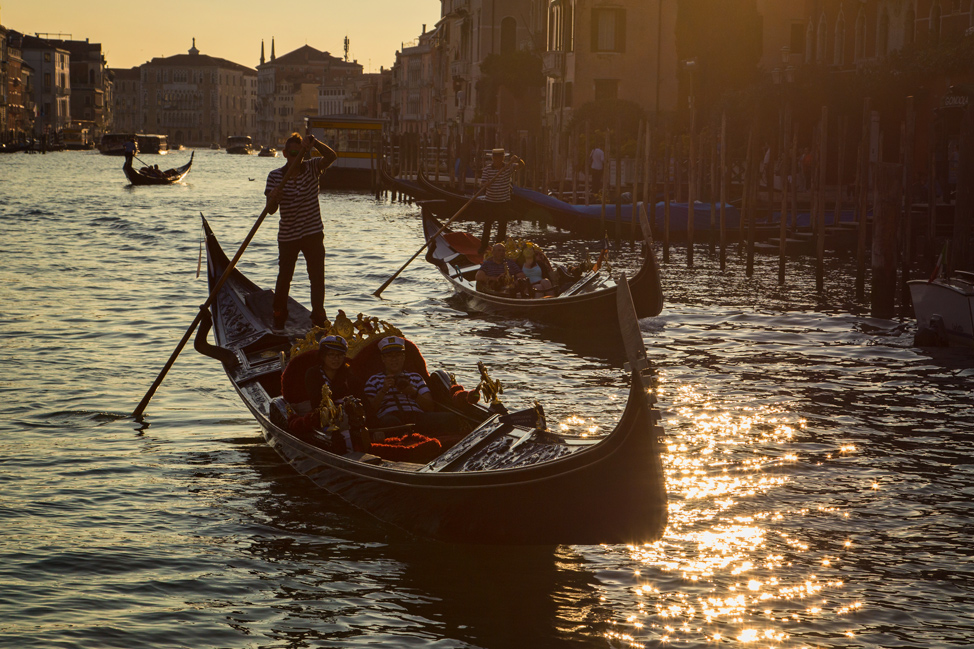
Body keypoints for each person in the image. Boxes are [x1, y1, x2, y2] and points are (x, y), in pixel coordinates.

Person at [265, 132, 338, 331]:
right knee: (285, 276)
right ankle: (279, 314)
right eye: (293, 152)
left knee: (316, 276)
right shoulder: (275, 177)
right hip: (288, 235)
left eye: (300, 152)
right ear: (285, 153)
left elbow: (331, 157)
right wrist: (274, 197)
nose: (296, 156)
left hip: (312, 232)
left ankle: (319, 314)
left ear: (304, 153)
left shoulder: (312, 167)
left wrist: (314, 144)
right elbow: (270, 210)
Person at [363, 336, 455, 436]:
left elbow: (430, 407)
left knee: (450, 418)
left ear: (403, 357)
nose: (394, 359)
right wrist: (383, 390)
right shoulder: (373, 380)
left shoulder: (415, 377)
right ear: (383, 359)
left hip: (416, 416)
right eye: (390, 356)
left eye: (398, 355)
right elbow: (369, 411)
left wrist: (413, 393)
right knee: (391, 422)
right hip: (390, 418)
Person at [477, 148, 520, 253]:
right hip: (490, 201)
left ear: (502, 158)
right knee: (487, 224)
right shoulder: (487, 169)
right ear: (493, 158)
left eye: (500, 158)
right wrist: (485, 184)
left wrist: (517, 160)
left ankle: (499, 247)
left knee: (502, 225)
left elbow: (521, 166)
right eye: (495, 158)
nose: (497, 160)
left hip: (503, 202)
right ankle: (483, 247)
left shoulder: (508, 167)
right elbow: (482, 183)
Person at [304, 335, 356, 410]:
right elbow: (316, 403)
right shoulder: (313, 374)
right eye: (331, 354)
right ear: (323, 356)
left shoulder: (348, 373)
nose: (336, 359)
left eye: (340, 355)